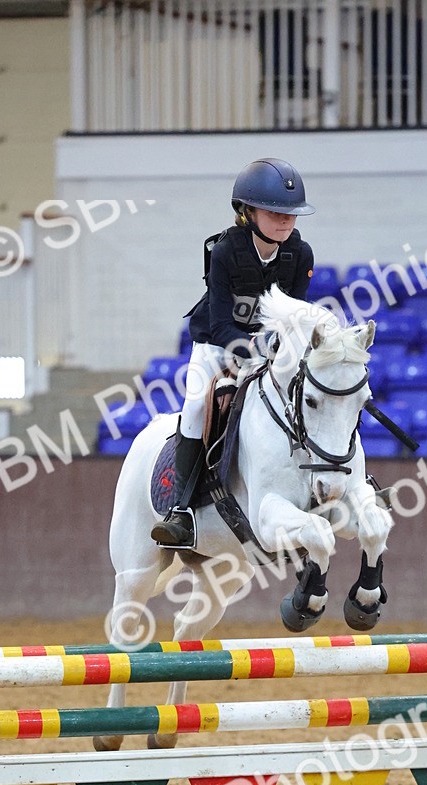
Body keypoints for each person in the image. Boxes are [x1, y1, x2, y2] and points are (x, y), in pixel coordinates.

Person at [150, 157, 315, 547]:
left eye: (290, 213)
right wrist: (257, 346)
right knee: (194, 405)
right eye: (275, 212)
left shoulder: (300, 255)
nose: (285, 221)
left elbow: (293, 318)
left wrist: (280, 348)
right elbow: (223, 324)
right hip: (216, 344)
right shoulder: (225, 252)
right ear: (248, 212)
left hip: (269, 350)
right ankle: (182, 510)